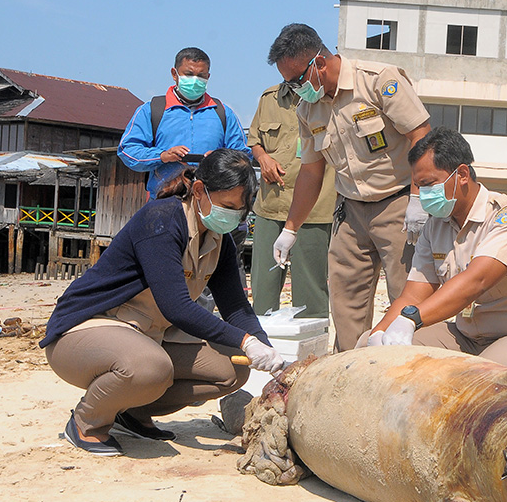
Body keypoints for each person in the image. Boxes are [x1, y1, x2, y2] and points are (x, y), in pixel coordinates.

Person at [41, 149, 284, 457]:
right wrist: (246, 340)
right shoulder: (162, 220)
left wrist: (264, 348)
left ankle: (131, 411)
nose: (234, 217)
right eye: (228, 207)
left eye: (241, 211)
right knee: (150, 368)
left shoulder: (217, 237)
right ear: (199, 191)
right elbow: (177, 307)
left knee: (232, 370)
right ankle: (87, 423)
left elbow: (236, 306)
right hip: (85, 330)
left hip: (147, 335)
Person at [267, 23, 431, 352]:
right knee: (345, 296)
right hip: (351, 210)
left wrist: (418, 198)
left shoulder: (377, 81)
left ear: (319, 63)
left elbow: (421, 134)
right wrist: (290, 228)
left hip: (398, 204)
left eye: (297, 80)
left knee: (407, 293)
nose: (294, 89)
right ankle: (348, 366)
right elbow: (311, 172)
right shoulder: (308, 109)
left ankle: (410, 368)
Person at [363, 127, 507, 376]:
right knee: (368, 350)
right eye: (418, 186)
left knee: (477, 382)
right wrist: (380, 333)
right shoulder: (434, 227)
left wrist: (411, 319)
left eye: (428, 185)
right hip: (465, 337)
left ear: (462, 174)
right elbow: (413, 296)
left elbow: (476, 281)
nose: (424, 194)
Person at [117, 47, 252, 287]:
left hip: (211, 207)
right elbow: (128, 152)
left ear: (209, 77)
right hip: (166, 205)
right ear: (174, 73)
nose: (195, 81)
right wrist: (162, 155)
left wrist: (221, 157)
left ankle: (208, 322)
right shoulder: (152, 111)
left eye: (201, 76)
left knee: (212, 271)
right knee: (166, 270)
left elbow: (243, 155)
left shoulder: (223, 113)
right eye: (189, 74)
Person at [248, 83, 337, 317]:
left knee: (311, 290)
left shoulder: (330, 98)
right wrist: (263, 158)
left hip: (315, 208)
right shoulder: (269, 98)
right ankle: (262, 344)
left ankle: (312, 349)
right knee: (263, 288)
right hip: (272, 204)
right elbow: (255, 141)